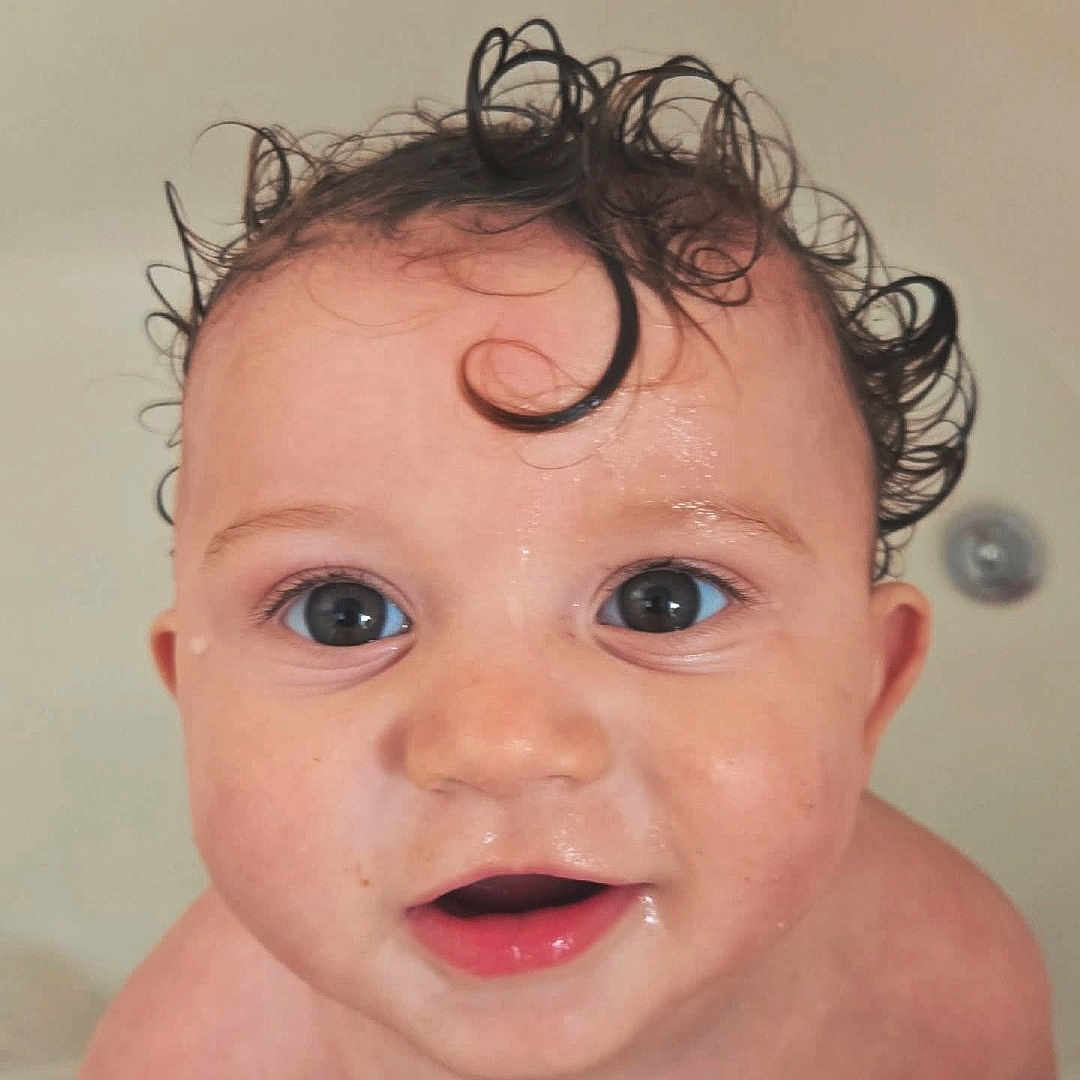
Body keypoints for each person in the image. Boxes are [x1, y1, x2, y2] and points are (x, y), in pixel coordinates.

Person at [80, 18, 1056, 1079]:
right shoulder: (194, 1054)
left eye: (663, 601)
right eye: (343, 613)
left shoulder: (938, 991)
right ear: (194, 699)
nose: (500, 745)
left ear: (871, 684)